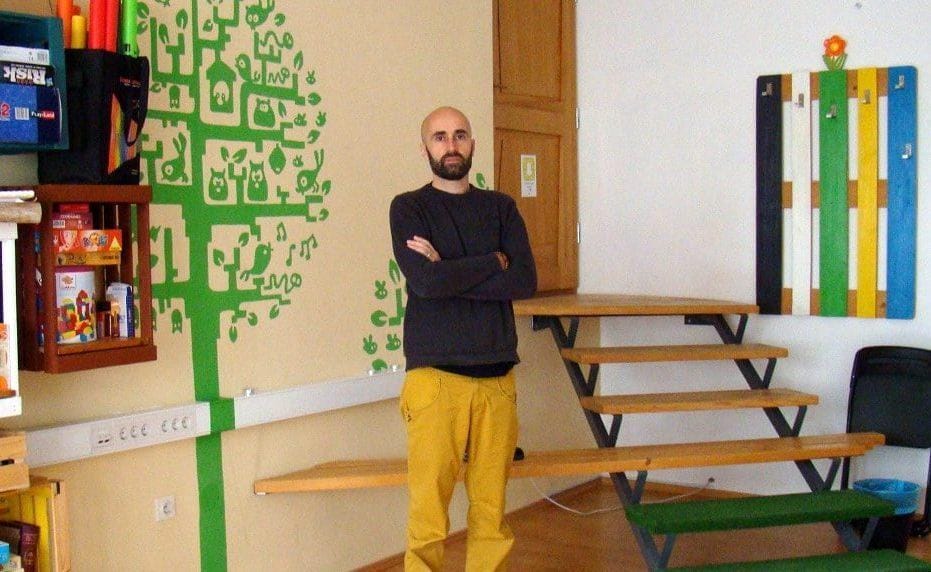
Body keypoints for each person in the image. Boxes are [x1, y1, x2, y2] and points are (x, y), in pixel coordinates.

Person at [389, 106, 537, 571]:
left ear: (473, 143)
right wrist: (493, 261)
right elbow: (425, 282)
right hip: (435, 382)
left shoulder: (501, 207)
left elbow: (524, 281)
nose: (450, 145)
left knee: (492, 516)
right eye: (439, 137)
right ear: (424, 149)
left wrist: (447, 268)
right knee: (428, 518)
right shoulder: (408, 208)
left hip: (497, 381)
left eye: (459, 135)